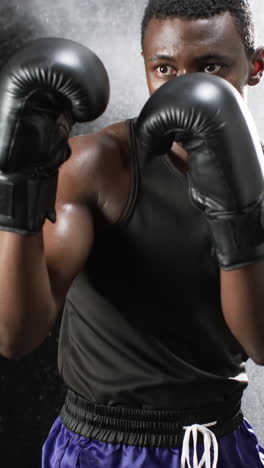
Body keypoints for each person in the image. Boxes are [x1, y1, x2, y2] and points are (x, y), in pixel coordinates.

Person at [0, 0, 264, 467]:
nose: (185, 90)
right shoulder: (96, 166)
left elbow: (260, 344)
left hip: (218, 444)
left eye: (210, 67)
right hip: (100, 448)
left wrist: (239, 214)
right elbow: (15, 336)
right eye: (164, 68)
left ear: (256, 66)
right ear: (144, 65)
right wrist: (18, 189)